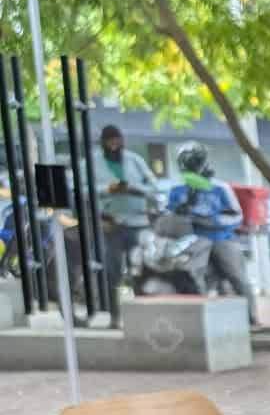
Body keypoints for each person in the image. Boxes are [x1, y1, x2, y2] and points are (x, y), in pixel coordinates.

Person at [163, 143, 254, 302]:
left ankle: (251, 317)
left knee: (238, 276)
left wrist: (213, 221)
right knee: (190, 277)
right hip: (192, 241)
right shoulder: (177, 190)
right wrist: (181, 213)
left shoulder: (219, 188)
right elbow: (168, 217)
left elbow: (236, 215)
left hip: (221, 238)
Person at [93, 125, 156, 290]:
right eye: (109, 141)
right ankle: (112, 308)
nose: (113, 144)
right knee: (111, 269)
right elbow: (81, 189)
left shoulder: (135, 160)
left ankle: (142, 302)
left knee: (140, 265)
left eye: (116, 140)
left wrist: (135, 188)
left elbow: (153, 187)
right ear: (103, 142)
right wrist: (109, 188)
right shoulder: (92, 162)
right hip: (110, 223)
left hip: (137, 222)